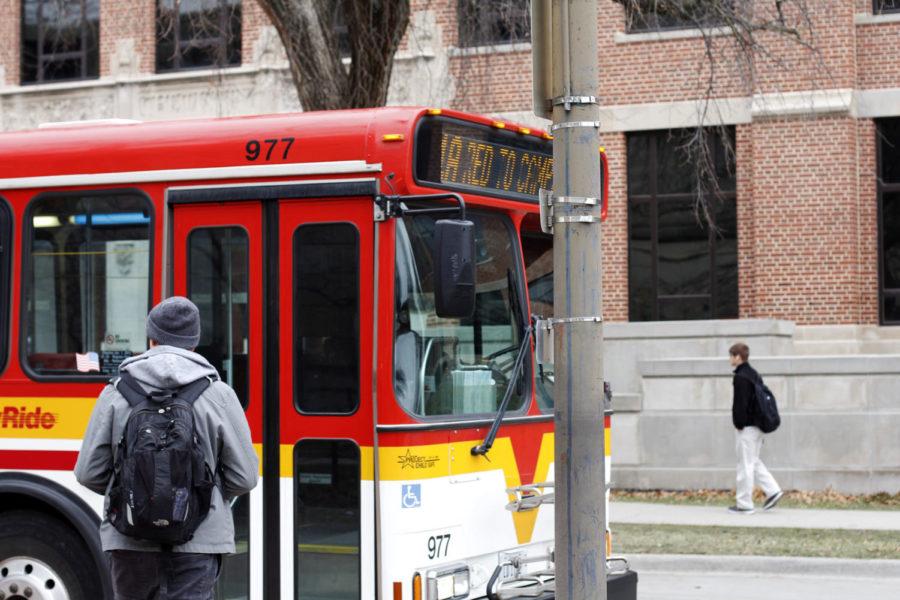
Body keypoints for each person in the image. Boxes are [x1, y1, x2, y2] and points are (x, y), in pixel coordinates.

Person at [75, 296, 259, 599]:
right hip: (198, 542)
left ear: (151, 338)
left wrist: (135, 493)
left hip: (129, 540)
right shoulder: (219, 394)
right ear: (194, 343)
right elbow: (245, 477)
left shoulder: (115, 391)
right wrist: (199, 494)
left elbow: (88, 473)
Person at [728, 342, 783, 514]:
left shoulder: (741, 377)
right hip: (758, 426)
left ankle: (744, 504)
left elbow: (740, 405)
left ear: (738, 357)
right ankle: (773, 491)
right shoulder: (753, 374)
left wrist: (738, 424)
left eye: (731, 355)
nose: (730, 359)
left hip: (748, 427)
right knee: (753, 461)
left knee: (745, 464)